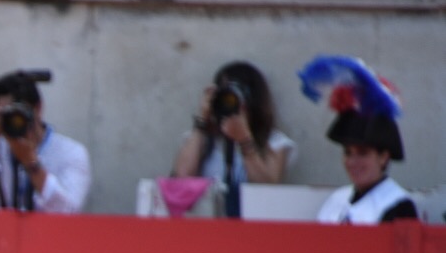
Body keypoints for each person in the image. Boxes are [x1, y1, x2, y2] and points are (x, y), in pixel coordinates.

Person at [298, 55, 417, 225]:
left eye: (363, 153)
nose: (353, 161)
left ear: (383, 156)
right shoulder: (336, 200)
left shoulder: (398, 205)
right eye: (348, 153)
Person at [0, 70, 88, 213]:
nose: (14, 121)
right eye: (6, 114)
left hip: (47, 234)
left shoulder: (70, 153)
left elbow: (68, 211)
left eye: (19, 114)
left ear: (38, 108)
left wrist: (31, 163)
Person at [172, 61, 296, 217]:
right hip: (205, 223)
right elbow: (181, 179)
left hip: (254, 225)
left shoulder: (274, 141)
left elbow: (268, 186)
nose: (229, 101)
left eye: (235, 93)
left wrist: (244, 139)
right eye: (224, 93)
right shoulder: (201, 138)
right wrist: (203, 121)